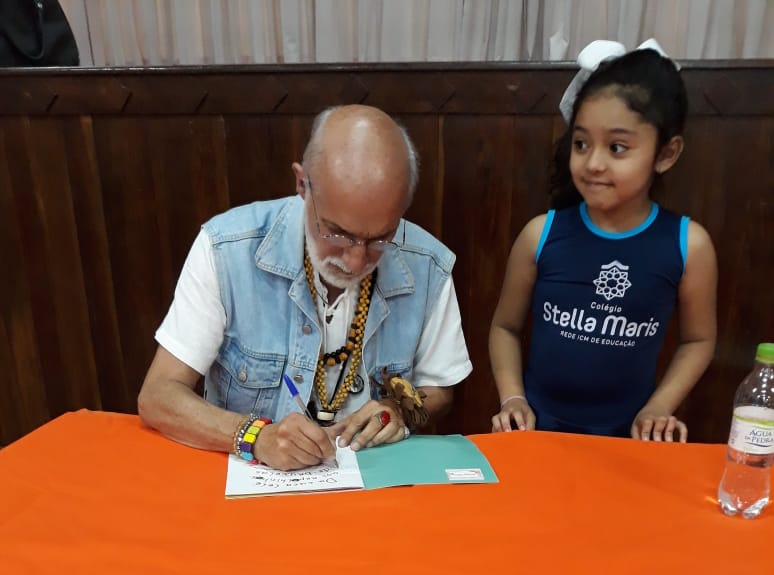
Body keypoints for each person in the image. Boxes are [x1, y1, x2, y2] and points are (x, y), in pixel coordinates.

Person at [138, 105, 472, 469]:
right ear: (302, 184)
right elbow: (158, 395)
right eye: (337, 233)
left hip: (373, 481)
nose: (355, 261)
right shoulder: (227, 249)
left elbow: (440, 390)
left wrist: (400, 411)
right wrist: (255, 436)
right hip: (254, 481)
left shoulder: (427, 263)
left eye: (380, 238)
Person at [489, 40, 717, 442]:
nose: (594, 163)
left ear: (666, 154)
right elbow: (504, 327)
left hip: (629, 441)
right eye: (581, 144)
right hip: (537, 436)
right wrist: (512, 399)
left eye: (617, 147)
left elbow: (698, 340)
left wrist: (659, 406)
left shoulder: (689, 245)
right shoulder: (539, 234)